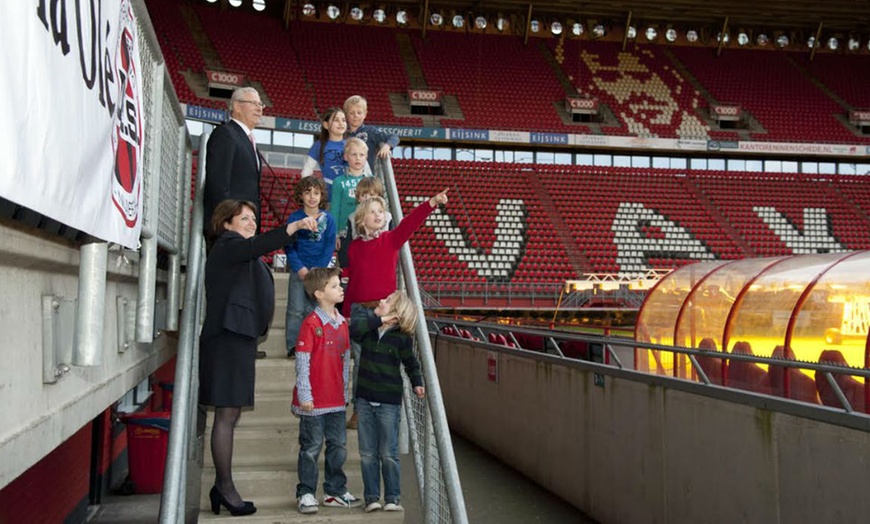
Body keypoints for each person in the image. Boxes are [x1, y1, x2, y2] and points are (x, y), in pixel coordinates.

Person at [200, 199, 318, 516]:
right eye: (244, 218)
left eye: (254, 218)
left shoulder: (239, 250)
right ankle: (224, 487)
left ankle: (221, 486)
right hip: (226, 340)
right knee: (226, 416)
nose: (251, 222)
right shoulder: (228, 245)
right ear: (226, 223)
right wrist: (292, 227)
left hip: (237, 340)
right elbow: (257, 246)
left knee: (231, 414)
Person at [292, 267, 362, 514]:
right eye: (334, 286)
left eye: (340, 284)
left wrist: (344, 393)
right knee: (311, 448)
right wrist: (305, 395)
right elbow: (302, 361)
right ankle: (306, 493)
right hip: (313, 401)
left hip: (335, 400)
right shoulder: (310, 324)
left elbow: (344, 362)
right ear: (320, 293)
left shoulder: (342, 323)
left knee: (338, 445)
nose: (341, 288)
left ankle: (334, 490)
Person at [350, 291, 424, 513]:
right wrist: (379, 320)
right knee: (367, 452)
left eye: (387, 301)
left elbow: (411, 363)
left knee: (388, 453)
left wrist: (417, 382)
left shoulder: (402, 338)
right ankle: (371, 496)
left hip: (388, 403)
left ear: (396, 313)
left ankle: (392, 496)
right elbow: (354, 329)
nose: (381, 301)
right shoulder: (369, 330)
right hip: (364, 400)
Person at [342, 188, 449, 318]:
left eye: (380, 211)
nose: (378, 215)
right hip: (358, 309)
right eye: (372, 212)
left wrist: (432, 202)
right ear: (362, 219)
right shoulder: (354, 246)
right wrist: (346, 313)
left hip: (385, 309)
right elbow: (353, 282)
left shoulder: (390, 239)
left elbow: (410, 222)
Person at [284, 177, 336, 359]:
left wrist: (317, 269)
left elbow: (329, 246)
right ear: (301, 195)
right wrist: (300, 268)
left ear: (321, 195)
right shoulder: (295, 218)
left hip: (317, 273)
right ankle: (292, 344)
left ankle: (312, 343)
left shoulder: (329, 220)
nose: (312, 197)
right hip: (299, 271)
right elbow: (288, 245)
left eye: (316, 193)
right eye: (307, 193)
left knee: (313, 309)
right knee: (295, 309)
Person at [203, 87, 264, 233]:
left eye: (261, 104)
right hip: (229, 226)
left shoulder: (247, 140)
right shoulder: (225, 134)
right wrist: (228, 221)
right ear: (237, 106)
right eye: (254, 103)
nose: (259, 108)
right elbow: (218, 184)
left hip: (244, 228)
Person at [336, 175, 392, 270]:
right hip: (359, 263)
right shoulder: (352, 218)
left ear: (379, 197)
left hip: (381, 263)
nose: (367, 199)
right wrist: (345, 266)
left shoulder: (387, 217)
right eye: (363, 195)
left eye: (371, 195)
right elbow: (347, 245)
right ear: (358, 198)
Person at [330, 138, 369, 255]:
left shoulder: (371, 181)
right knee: (346, 264)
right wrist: (335, 235)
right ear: (346, 157)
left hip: (366, 231)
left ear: (366, 157)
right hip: (345, 232)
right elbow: (335, 210)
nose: (358, 158)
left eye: (361, 155)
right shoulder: (338, 182)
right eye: (354, 154)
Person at [343, 95, 400, 175]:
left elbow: (394, 137)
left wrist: (387, 146)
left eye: (359, 113)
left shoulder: (370, 131)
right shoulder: (343, 135)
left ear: (365, 114)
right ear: (346, 115)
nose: (355, 116)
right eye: (351, 113)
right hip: (347, 176)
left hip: (366, 177)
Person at [300, 107, 349, 197]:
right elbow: (306, 171)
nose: (341, 123)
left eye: (343, 120)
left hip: (349, 195)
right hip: (328, 195)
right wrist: (310, 191)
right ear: (326, 125)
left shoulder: (351, 145)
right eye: (336, 120)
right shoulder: (318, 146)